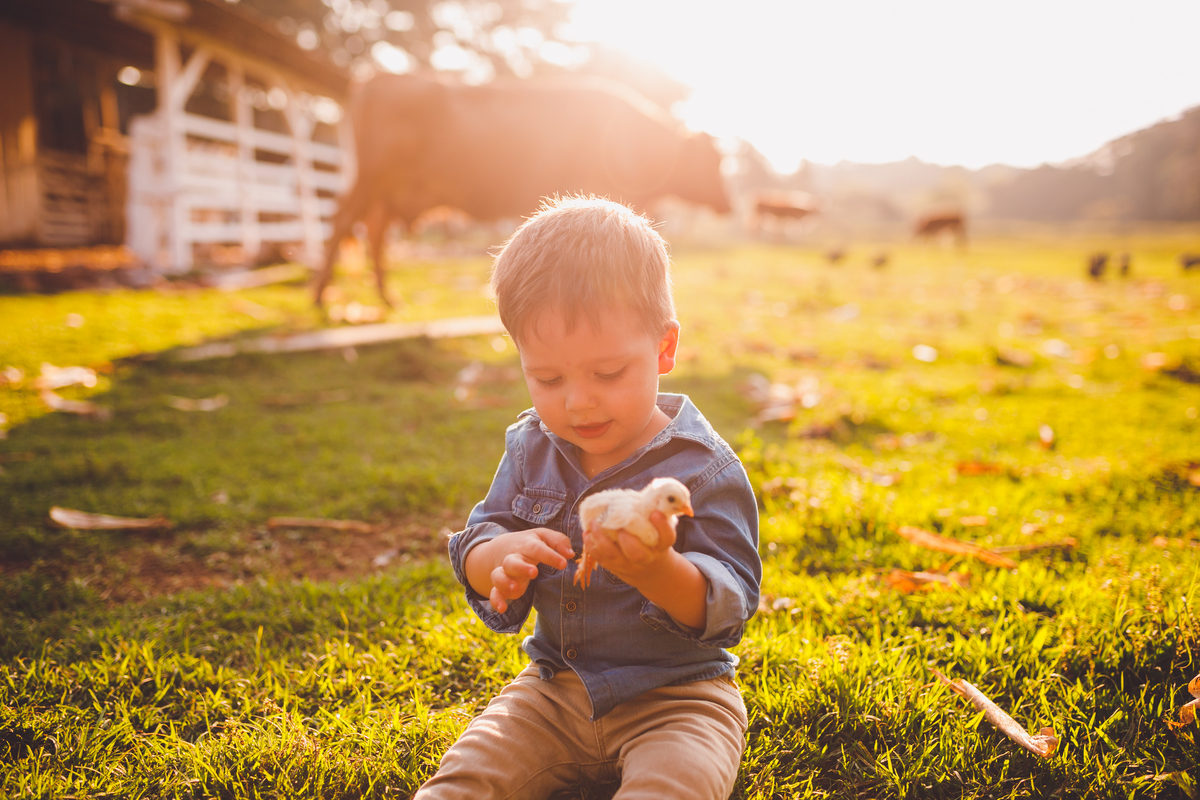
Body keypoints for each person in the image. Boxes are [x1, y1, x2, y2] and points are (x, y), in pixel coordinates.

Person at [415, 196, 761, 800]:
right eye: (547, 378)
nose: (577, 402)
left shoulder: (702, 469)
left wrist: (658, 570)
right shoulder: (530, 447)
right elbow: (480, 537)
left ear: (664, 348)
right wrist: (500, 558)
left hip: (679, 698)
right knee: (461, 783)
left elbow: (730, 602)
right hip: (551, 691)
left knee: (674, 786)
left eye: (607, 374)